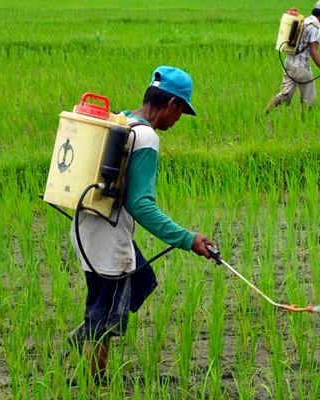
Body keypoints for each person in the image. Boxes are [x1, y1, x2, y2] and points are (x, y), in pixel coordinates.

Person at [68, 66, 215, 381]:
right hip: (108, 235)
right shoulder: (146, 137)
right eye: (181, 113)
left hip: (87, 223)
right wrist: (188, 239)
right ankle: (95, 381)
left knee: (142, 277)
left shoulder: (122, 120)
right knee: (105, 315)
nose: (177, 121)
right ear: (172, 104)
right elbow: (140, 204)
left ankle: (87, 329)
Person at [264, 0, 320, 114]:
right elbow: (314, 51)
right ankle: (305, 126)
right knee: (309, 100)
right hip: (302, 68)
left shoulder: (304, 20)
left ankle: (263, 115)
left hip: (289, 64)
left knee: (284, 95)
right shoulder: (316, 27)